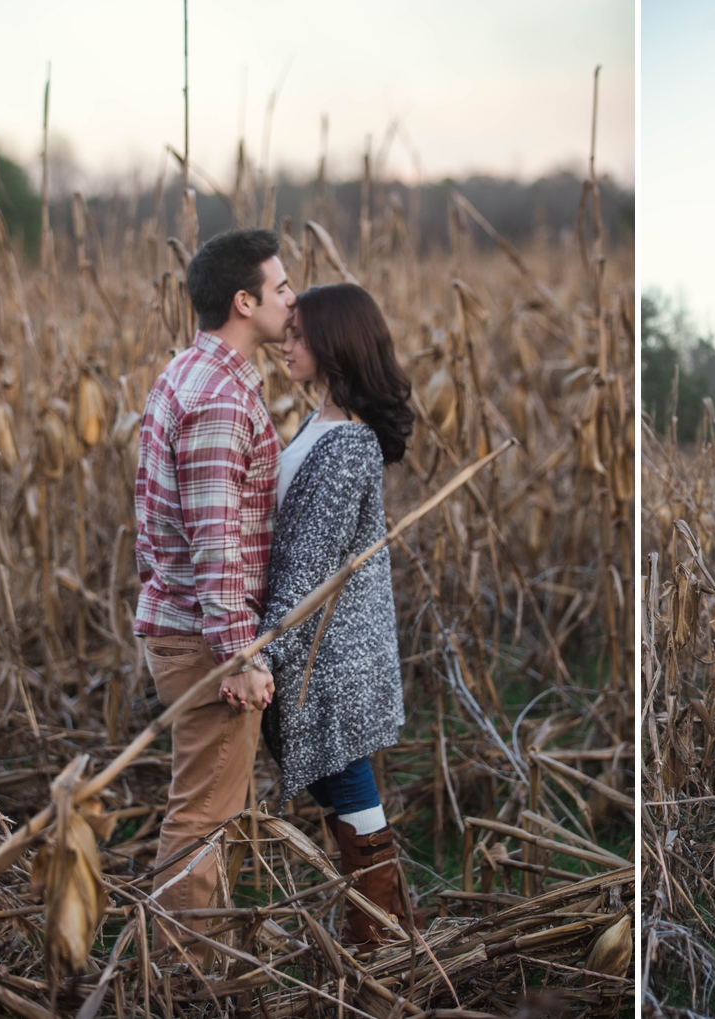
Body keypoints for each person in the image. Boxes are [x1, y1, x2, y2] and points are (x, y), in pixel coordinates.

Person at [132, 227, 295, 966]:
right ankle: (181, 976)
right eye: (283, 287)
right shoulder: (220, 399)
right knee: (201, 815)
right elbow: (215, 543)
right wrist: (241, 654)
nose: (294, 298)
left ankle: (198, 960)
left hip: (191, 633)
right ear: (244, 301)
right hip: (207, 644)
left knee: (207, 809)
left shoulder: (186, 375)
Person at [258, 282, 417, 952]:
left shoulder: (347, 443)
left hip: (335, 655)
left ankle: (382, 939)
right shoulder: (320, 423)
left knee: (346, 779)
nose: (285, 344)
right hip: (322, 650)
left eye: (299, 334)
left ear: (333, 343)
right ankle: (391, 931)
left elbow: (309, 565)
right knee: (336, 782)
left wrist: (263, 647)